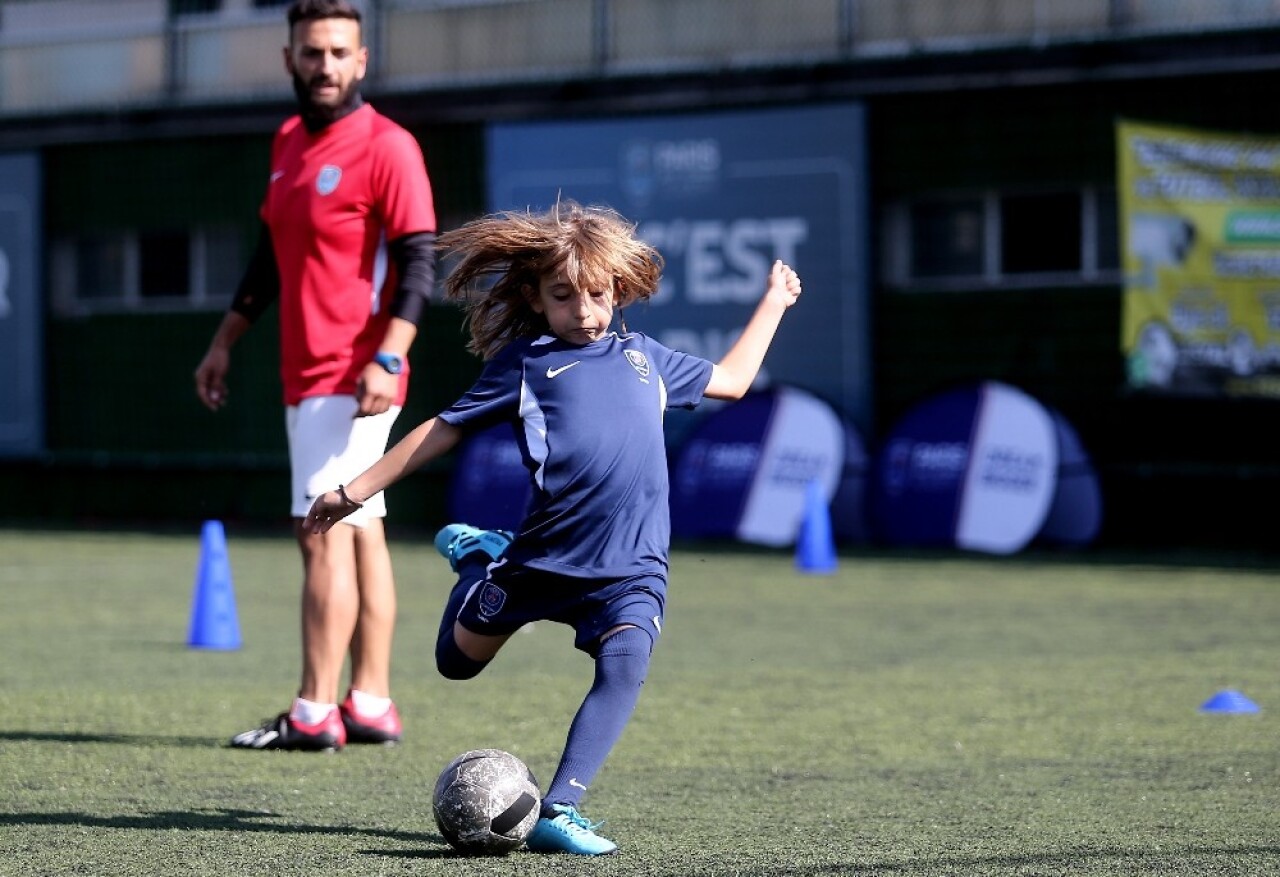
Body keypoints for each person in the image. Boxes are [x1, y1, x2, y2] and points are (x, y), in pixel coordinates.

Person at [304, 200, 803, 854]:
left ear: (618, 289)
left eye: (596, 294)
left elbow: (735, 380)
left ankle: (559, 806)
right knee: (454, 664)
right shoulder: (526, 364)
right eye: (563, 296)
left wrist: (773, 301)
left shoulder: (645, 359)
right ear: (536, 299)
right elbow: (442, 429)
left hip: (631, 566)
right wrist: (353, 490)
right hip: (541, 562)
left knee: (626, 663)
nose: (585, 311)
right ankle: (481, 561)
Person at [193, 0, 438, 752]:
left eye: (338, 52)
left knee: (322, 534)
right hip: (307, 372)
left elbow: (421, 260)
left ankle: (312, 711)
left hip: (353, 375)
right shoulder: (288, 141)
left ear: (361, 61)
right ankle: (369, 702)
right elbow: (272, 257)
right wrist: (226, 338)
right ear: (289, 59)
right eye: (311, 52)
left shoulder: (389, 146)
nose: (324, 64)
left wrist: (389, 354)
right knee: (362, 531)